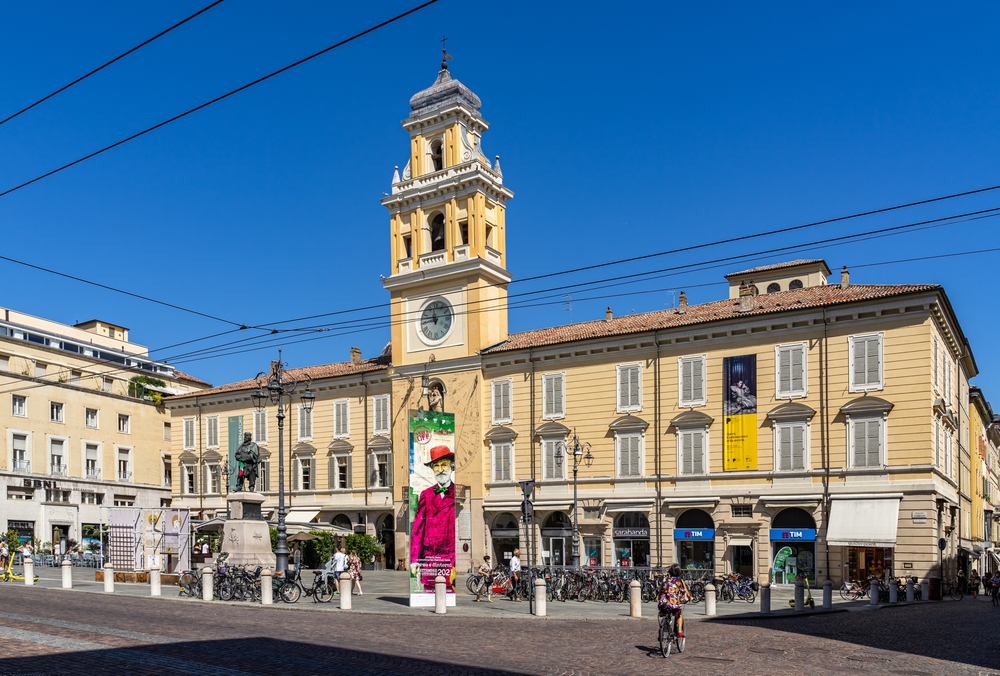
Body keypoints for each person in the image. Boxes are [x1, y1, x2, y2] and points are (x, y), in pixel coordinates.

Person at [409, 445, 457, 593]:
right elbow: (417, 529)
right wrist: (415, 559)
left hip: (450, 561)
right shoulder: (426, 495)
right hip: (430, 562)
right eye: (436, 466)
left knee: (448, 595)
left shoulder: (457, 494)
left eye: (444, 464)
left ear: (452, 467)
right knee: (429, 596)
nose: (440, 469)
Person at [658, 564, 692, 639]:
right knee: (679, 614)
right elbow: (686, 591)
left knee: (663, 611)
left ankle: (662, 626)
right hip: (674, 604)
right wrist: (690, 597)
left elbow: (660, 591)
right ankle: (679, 631)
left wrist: (658, 598)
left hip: (663, 603)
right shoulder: (680, 581)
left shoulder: (665, 579)